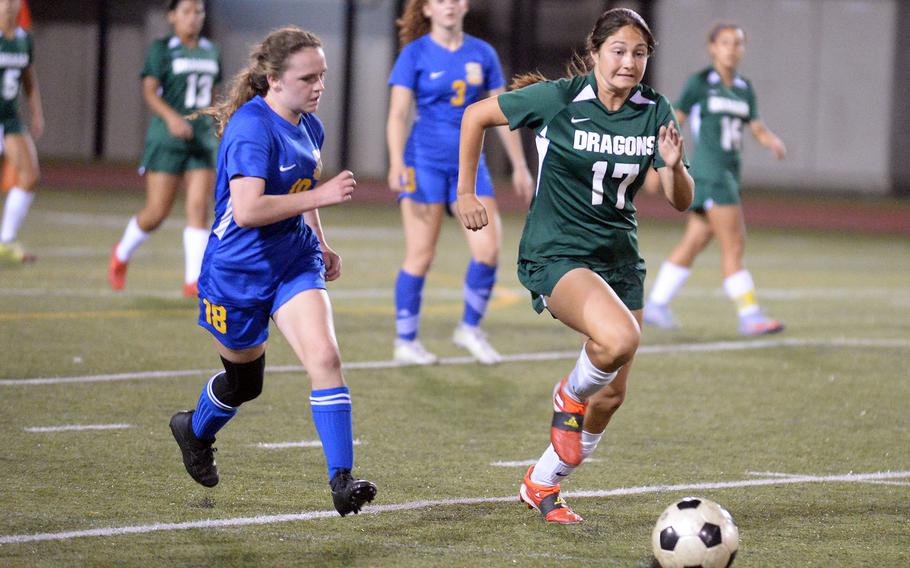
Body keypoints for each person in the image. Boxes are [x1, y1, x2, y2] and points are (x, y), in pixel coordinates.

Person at [457, 8, 693, 523]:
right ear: (595, 53)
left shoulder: (655, 109)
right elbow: (475, 115)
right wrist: (466, 190)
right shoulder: (561, 99)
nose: (629, 62)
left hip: (619, 261)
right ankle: (567, 394)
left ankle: (542, 483)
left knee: (610, 397)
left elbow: (680, 200)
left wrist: (673, 168)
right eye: (619, 51)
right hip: (557, 253)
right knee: (621, 340)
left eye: (639, 53)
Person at [168, 26, 377, 517]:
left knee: (325, 357)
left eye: (323, 76)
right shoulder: (251, 127)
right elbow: (247, 210)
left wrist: (321, 241)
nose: (319, 86)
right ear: (273, 80)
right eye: (308, 78)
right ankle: (193, 430)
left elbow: (300, 190)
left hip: (292, 260)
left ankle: (342, 481)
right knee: (245, 384)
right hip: (236, 273)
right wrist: (320, 196)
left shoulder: (309, 125)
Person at [387, 0, 534, 365]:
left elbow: (503, 112)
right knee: (421, 256)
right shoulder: (414, 54)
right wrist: (394, 162)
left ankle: (469, 329)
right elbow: (398, 114)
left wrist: (519, 165)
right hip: (423, 164)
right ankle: (405, 341)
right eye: (439, 0)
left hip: (471, 167)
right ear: (426, 10)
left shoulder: (482, 53)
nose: (449, 5)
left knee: (488, 251)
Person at [642, 23, 787, 336]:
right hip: (712, 175)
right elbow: (672, 121)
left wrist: (771, 141)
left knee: (694, 242)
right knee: (734, 244)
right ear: (712, 47)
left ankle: (655, 304)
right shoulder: (700, 83)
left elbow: (756, 127)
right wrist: (658, 166)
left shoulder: (744, 88)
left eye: (737, 44)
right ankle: (749, 315)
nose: (731, 49)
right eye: (725, 43)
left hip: (726, 175)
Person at [108, 0, 220, 297]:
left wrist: (219, 120)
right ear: (172, 16)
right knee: (157, 212)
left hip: (201, 141)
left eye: (198, 12)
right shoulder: (161, 49)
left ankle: (193, 281)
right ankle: (121, 252)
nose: (193, 18)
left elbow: (212, 93)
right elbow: (149, 91)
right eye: (186, 12)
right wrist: (172, 118)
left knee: (199, 207)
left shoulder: (211, 50)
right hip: (167, 140)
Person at [0, 0, 43, 264]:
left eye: (13, 0)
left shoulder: (24, 39)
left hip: (10, 118)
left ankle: (6, 239)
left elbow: (28, 76)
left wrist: (36, 111)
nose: (7, 5)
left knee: (30, 176)